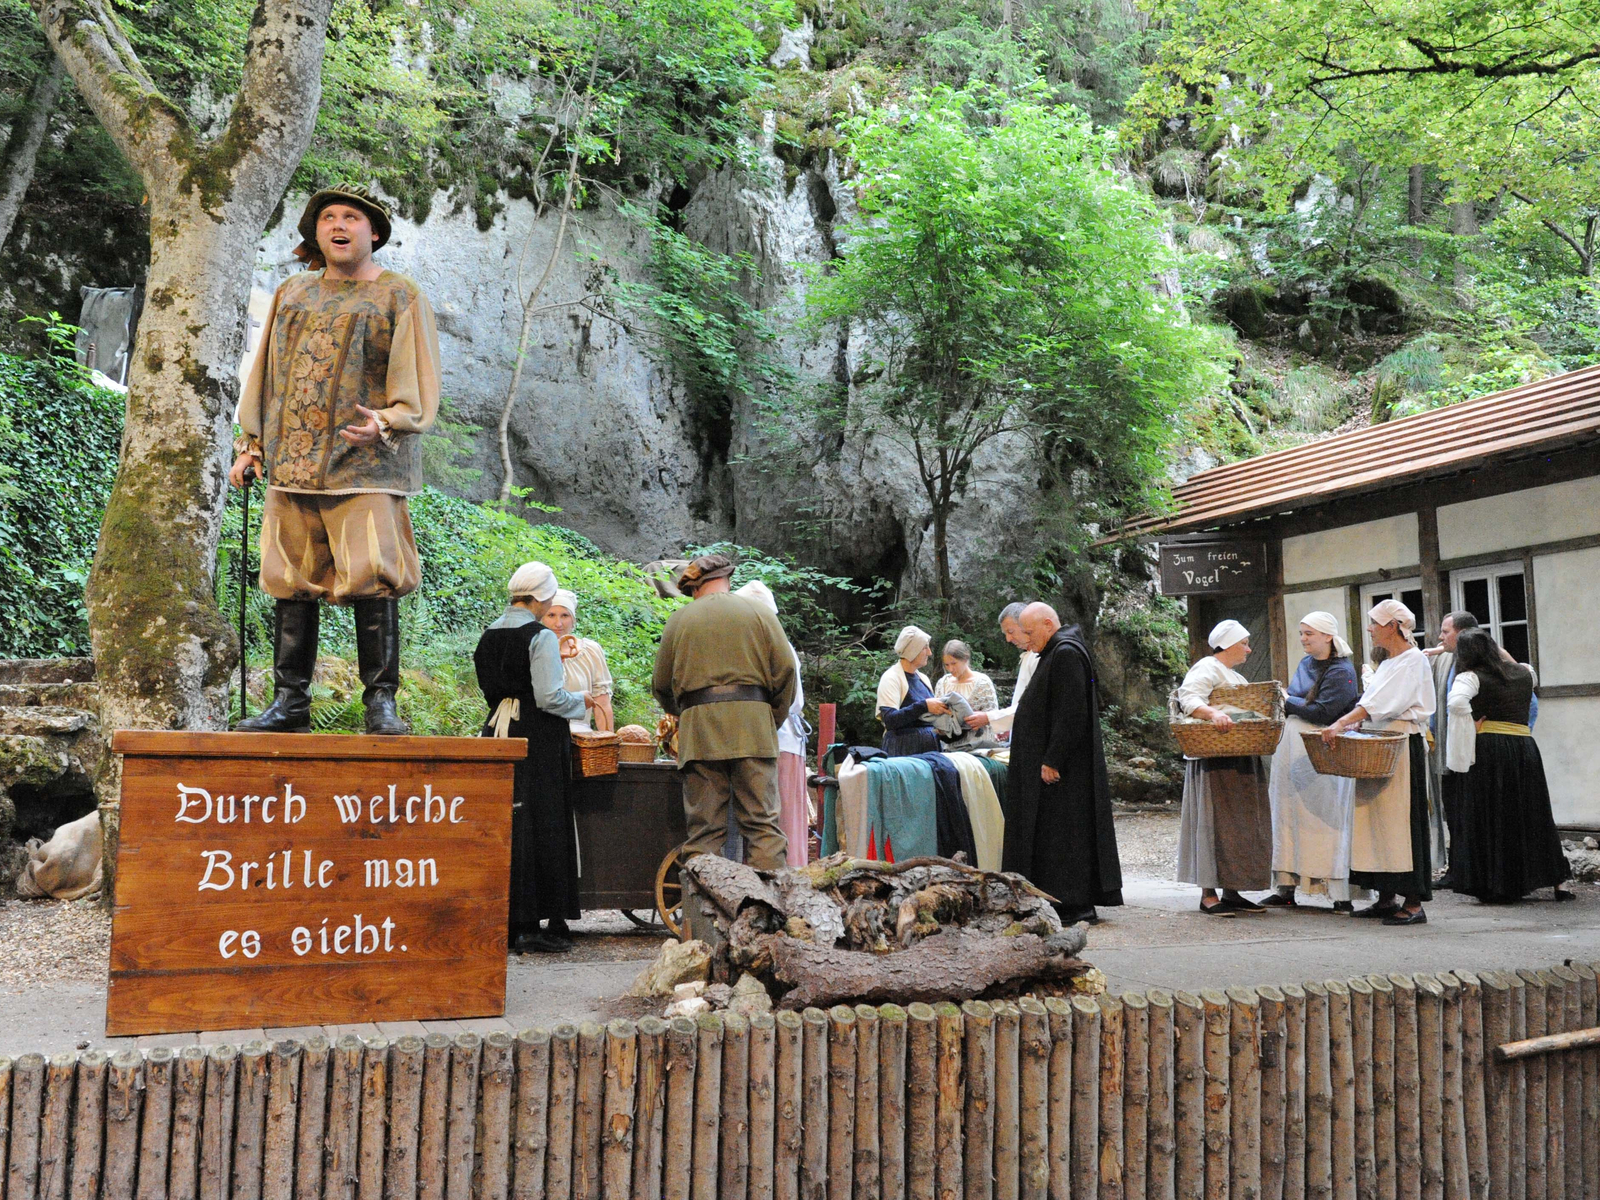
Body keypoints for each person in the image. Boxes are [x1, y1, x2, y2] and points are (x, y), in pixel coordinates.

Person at [230, 183, 441, 736]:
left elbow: (416, 379)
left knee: (374, 575)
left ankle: (380, 704)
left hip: (365, 466)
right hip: (292, 467)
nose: (339, 226)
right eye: (328, 218)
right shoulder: (292, 292)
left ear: (375, 232)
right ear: (315, 231)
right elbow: (266, 371)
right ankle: (290, 703)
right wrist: (251, 445)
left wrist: (389, 420)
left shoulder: (399, 295)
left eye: (352, 217)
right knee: (290, 580)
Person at [652, 554, 797, 870]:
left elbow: (661, 684)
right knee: (762, 825)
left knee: (704, 830)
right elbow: (786, 671)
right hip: (753, 726)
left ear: (695, 588)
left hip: (700, 730)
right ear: (728, 579)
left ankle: (704, 900)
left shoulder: (679, 620)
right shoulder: (760, 612)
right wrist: (769, 718)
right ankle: (768, 899)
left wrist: (687, 714)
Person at [475, 562, 587, 953]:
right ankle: (533, 924)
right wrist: (582, 702)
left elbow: (490, 690)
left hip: (497, 729)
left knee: (509, 821)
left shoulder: (488, 634)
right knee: (544, 820)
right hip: (537, 735)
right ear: (540, 597)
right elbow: (550, 697)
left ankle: (508, 920)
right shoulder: (539, 637)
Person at [1003, 603, 1123, 925]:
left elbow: (1071, 712)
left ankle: (1074, 903)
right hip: (1055, 767)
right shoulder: (1055, 651)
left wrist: (1053, 758)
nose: (1026, 639)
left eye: (1029, 632)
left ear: (1047, 624)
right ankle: (1060, 900)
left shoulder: (1066, 653)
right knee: (1054, 835)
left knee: (1065, 836)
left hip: (1063, 771)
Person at [1321, 600, 1436, 926]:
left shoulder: (1413, 660)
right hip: (1378, 743)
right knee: (1376, 823)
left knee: (1401, 824)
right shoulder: (1388, 663)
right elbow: (1373, 703)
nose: (1370, 629)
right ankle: (1386, 897)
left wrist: (1341, 723)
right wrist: (1357, 724)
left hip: (1400, 745)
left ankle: (1413, 903)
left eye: (1375, 623)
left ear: (1393, 626)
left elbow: (1382, 702)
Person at [1444, 629, 1572, 903]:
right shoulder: (1526, 672)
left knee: (1495, 813)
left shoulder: (1470, 677)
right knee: (1532, 812)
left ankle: (1499, 884)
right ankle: (1557, 882)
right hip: (1524, 748)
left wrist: (1471, 723)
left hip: (1491, 749)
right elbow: (1514, 667)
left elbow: (1455, 703)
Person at [1264, 612, 1366, 911]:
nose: (1303, 638)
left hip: (1323, 748)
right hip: (1292, 746)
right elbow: (1301, 703)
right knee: (1287, 814)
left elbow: (1323, 712)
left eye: (1309, 633)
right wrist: (1290, 701)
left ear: (1328, 636)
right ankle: (1286, 886)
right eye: (1302, 633)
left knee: (1325, 818)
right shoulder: (1306, 663)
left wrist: (1285, 699)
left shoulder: (1341, 671)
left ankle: (1338, 892)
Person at [1174, 620, 1273, 915]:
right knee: (1214, 822)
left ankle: (1233, 889)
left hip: (1239, 756)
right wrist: (1213, 713)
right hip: (1215, 759)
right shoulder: (1207, 667)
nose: (1248, 649)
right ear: (1228, 645)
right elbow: (1188, 697)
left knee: (1240, 824)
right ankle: (1208, 893)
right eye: (1244, 643)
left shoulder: (1235, 676)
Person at [736, 579, 811, 868]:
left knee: (780, 818)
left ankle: (785, 878)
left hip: (778, 740)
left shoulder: (774, 645)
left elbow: (791, 700)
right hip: (766, 739)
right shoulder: (758, 643)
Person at [964, 602, 1038, 740]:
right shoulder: (1029, 655)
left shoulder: (1038, 657)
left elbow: (1031, 706)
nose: (1008, 639)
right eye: (1006, 634)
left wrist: (988, 718)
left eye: (1011, 632)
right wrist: (1007, 726)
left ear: (1026, 625)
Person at [542, 589, 613, 732]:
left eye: (565, 615)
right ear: (542, 618)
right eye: (551, 615)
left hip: (581, 735)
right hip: (542, 732)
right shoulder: (533, 650)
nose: (558, 623)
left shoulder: (590, 651)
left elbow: (602, 704)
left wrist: (608, 739)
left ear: (573, 619)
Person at [876, 626, 945, 757]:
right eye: (925, 648)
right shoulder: (891, 678)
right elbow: (890, 720)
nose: (929, 653)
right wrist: (924, 706)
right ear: (913, 650)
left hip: (930, 748)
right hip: (904, 750)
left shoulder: (923, 678)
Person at [931, 639, 1000, 750]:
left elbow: (993, 716)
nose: (950, 669)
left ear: (965, 659)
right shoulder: (942, 683)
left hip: (978, 745)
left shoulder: (982, 682)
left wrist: (978, 718)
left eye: (954, 663)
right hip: (950, 745)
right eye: (947, 665)